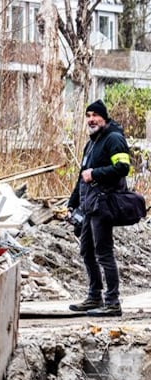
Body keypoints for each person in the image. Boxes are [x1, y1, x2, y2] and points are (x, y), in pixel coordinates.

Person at [67, 99, 132, 317]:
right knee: (87, 251)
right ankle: (94, 296)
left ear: (104, 117)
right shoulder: (92, 143)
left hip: (103, 204)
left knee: (103, 253)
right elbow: (81, 177)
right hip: (89, 206)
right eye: (88, 115)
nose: (91, 119)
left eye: (95, 115)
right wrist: (72, 203)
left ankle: (112, 302)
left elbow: (123, 167)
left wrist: (96, 173)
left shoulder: (113, 138)